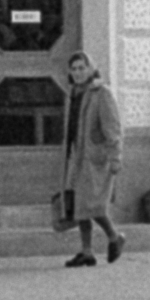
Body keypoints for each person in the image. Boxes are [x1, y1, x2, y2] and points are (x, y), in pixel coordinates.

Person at [60, 51, 125, 266]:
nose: (78, 73)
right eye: (74, 69)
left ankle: (115, 236)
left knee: (93, 205)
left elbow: (113, 128)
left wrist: (115, 156)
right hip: (78, 157)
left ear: (90, 69)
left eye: (82, 68)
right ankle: (86, 251)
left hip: (96, 158)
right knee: (81, 206)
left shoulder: (100, 93)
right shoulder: (74, 94)